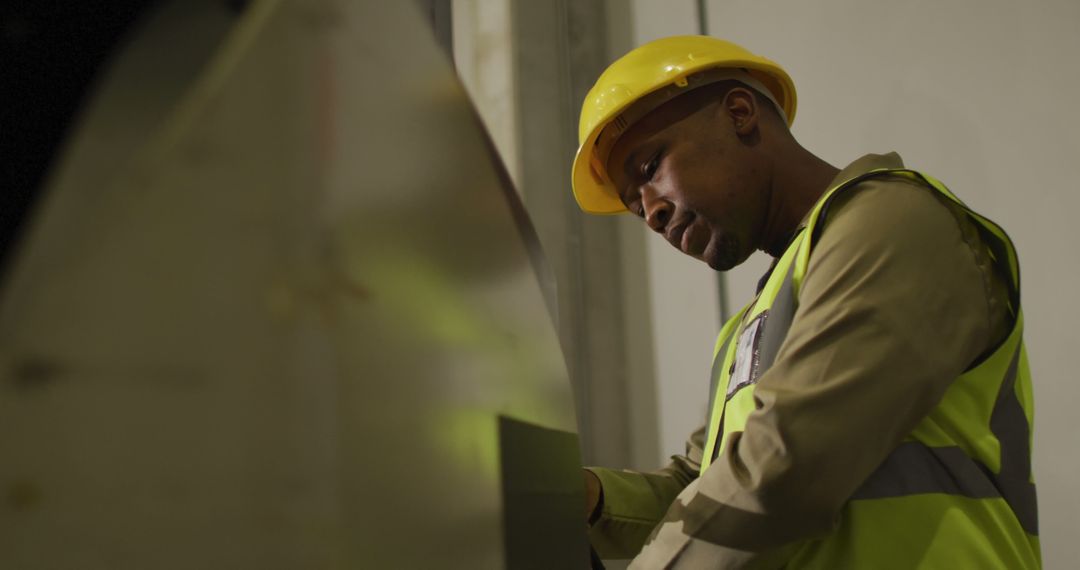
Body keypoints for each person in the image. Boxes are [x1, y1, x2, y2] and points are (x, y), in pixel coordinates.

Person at [571, 35, 1040, 568]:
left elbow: (786, 466)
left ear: (740, 113)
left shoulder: (892, 222)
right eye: (637, 208)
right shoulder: (754, 322)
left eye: (651, 168)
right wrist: (590, 500)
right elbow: (704, 487)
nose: (652, 214)